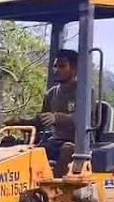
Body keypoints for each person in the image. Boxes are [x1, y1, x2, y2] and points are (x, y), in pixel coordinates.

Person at [7, 49, 94, 177]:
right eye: (55, 66)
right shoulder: (52, 93)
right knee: (29, 151)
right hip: (55, 141)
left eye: (62, 66)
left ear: (75, 68)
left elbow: (83, 118)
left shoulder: (84, 91)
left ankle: (58, 188)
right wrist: (19, 121)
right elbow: (41, 120)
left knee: (68, 149)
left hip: (79, 143)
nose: (56, 70)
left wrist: (57, 118)